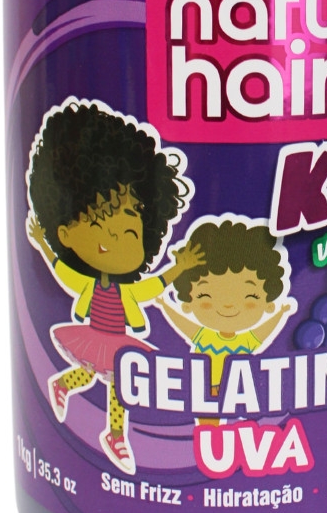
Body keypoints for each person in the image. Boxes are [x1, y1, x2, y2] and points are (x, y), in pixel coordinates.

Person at [26, 99, 200, 475]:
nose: (118, 239)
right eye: (101, 227)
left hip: (119, 343)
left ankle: (110, 428)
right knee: (104, 377)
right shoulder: (90, 282)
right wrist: (42, 245)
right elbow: (61, 271)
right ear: (66, 233)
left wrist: (179, 268)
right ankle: (96, 416)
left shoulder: (127, 289)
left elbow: (152, 286)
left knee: (116, 382)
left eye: (130, 228)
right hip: (97, 337)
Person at [156, 217, 294, 422]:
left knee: (246, 418)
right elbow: (184, 324)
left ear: (268, 302)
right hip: (208, 390)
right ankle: (207, 435)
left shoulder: (245, 340)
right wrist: (165, 305)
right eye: (206, 296)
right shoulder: (206, 337)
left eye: (249, 296)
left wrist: (281, 313)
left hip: (244, 391)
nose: (228, 305)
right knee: (207, 422)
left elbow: (263, 332)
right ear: (187, 303)